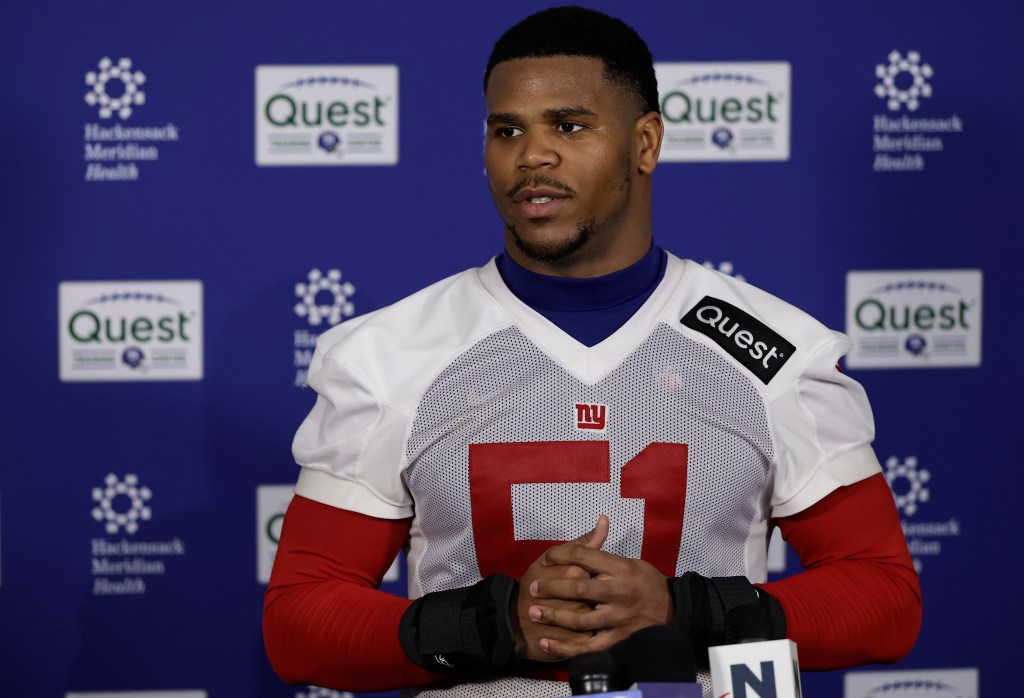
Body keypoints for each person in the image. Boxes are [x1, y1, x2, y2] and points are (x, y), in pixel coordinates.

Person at [263, 7, 921, 697]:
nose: (531, 155)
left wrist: (679, 610)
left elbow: (885, 599)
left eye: (570, 126)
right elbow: (300, 620)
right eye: (506, 129)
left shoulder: (772, 351)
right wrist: (503, 625)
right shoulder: (392, 354)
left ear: (646, 142)